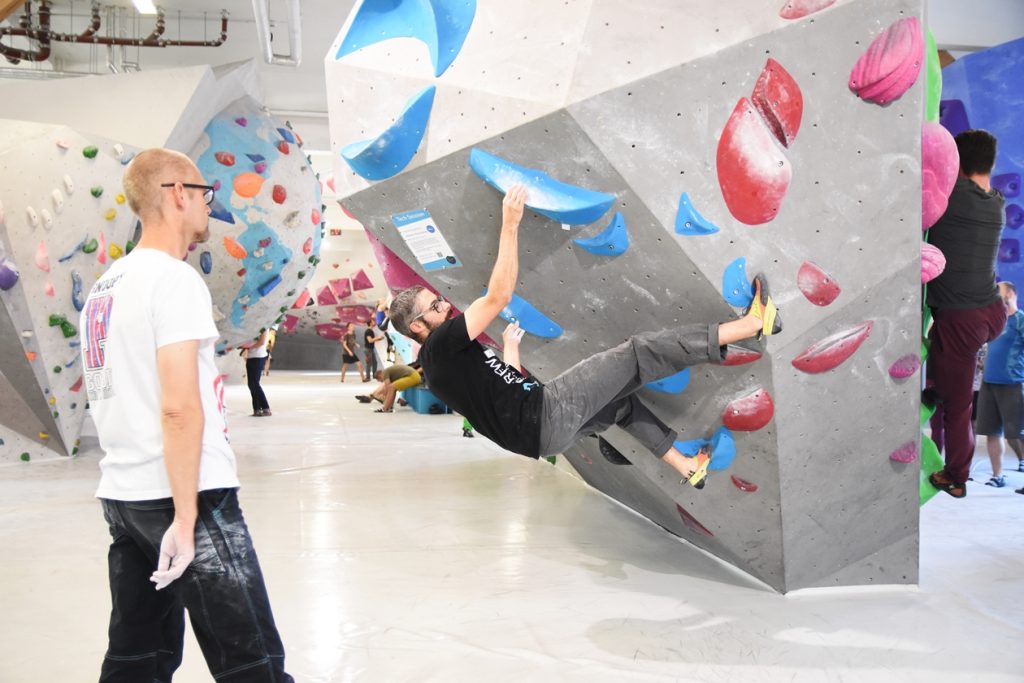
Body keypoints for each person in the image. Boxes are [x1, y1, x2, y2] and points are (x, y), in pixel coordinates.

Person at [387, 184, 782, 486]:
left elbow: (504, 388)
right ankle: (750, 326)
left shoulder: (445, 363)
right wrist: (510, 224)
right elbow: (498, 295)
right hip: (546, 414)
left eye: (439, 299)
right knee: (638, 353)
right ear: (418, 328)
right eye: (435, 306)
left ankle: (687, 465)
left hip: (541, 434)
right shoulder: (440, 347)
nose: (445, 305)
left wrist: (509, 349)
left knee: (619, 406)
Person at [78, 148, 292, 681]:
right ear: (178, 194)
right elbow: (178, 407)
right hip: (186, 493)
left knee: (137, 659)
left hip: (124, 494)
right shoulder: (172, 280)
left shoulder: (105, 289)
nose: (207, 207)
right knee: (253, 663)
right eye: (204, 194)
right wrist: (187, 515)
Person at [926, 130, 1007, 498]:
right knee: (944, 368)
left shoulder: (951, 197)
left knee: (959, 406)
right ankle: (935, 388)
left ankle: (957, 476)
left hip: (964, 316)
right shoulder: (996, 202)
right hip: (989, 310)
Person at [975, 282, 1024, 488]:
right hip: (989, 383)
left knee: (1018, 433)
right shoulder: (995, 320)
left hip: (1012, 384)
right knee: (991, 432)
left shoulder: (1020, 319)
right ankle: (998, 476)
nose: (994, 294)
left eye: (999, 291)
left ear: (1010, 294)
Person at [356, 363, 422, 412]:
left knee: (391, 387)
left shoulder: (385, 372)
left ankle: (385, 409)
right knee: (393, 388)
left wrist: (384, 397)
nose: (381, 381)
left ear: (380, 375)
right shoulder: (388, 372)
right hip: (414, 376)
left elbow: (388, 387)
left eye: (380, 380)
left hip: (413, 376)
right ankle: (389, 407)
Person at [244, 329, 272, 416]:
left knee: (255, 384)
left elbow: (262, 342)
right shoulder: (256, 326)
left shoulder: (265, 327)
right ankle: (257, 409)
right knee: (251, 384)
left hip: (258, 357)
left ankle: (265, 408)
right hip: (251, 356)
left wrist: (247, 347)